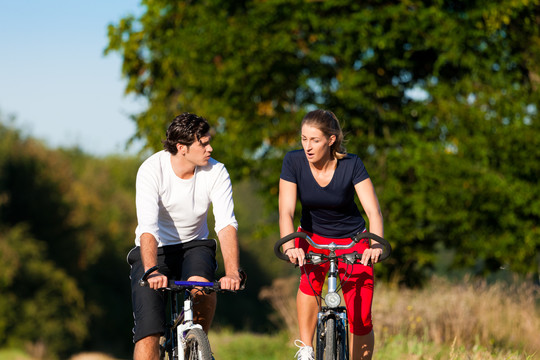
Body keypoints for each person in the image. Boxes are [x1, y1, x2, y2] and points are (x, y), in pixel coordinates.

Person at [127, 112, 241, 360]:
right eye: (203, 143)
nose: (210, 148)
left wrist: (232, 272)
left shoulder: (217, 172)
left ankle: (196, 347)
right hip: (156, 250)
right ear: (182, 148)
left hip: (195, 246)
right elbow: (148, 227)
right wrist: (151, 270)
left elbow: (225, 223)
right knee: (149, 335)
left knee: (203, 289)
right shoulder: (151, 170)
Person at [279, 109, 384, 360]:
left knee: (361, 314)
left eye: (315, 140)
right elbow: (286, 211)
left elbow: (373, 211)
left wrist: (375, 245)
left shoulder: (352, 164)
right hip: (312, 238)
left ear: (331, 140)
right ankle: (305, 348)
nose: (307, 146)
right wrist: (290, 246)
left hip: (353, 239)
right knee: (309, 284)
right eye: (304, 139)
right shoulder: (293, 162)